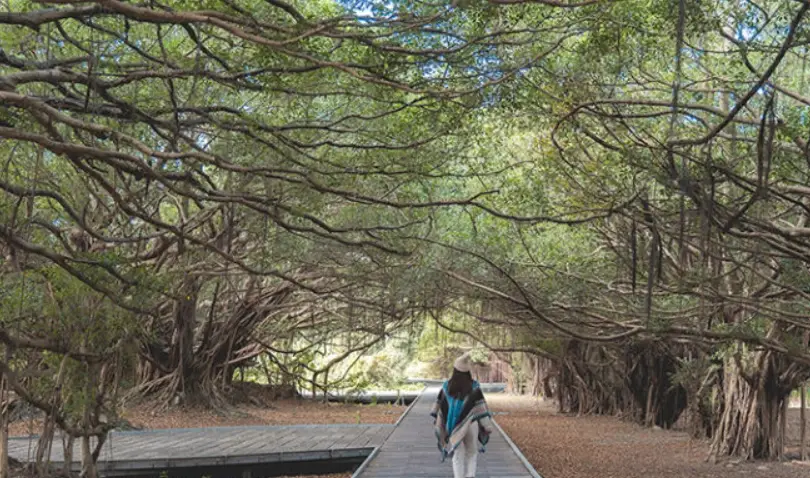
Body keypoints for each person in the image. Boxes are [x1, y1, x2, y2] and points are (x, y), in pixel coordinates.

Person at [430, 352, 494, 478]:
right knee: (471, 453)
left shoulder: (447, 387)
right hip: (471, 425)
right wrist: (487, 425)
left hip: (453, 426)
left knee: (458, 454)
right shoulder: (474, 387)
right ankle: (470, 475)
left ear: (455, 370)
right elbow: (481, 409)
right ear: (467, 372)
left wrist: (439, 422)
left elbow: (441, 407)